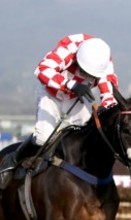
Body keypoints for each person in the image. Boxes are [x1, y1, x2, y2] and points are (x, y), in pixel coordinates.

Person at [0, 33, 119, 182]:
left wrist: (109, 108)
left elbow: (108, 90)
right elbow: (42, 70)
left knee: (82, 140)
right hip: (51, 93)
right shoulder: (69, 47)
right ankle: (11, 161)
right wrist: (71, 84)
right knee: (43, 138)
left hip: (76, 98)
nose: (87, 75)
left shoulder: (103, 58)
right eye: (84, 71)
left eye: (90, 74)